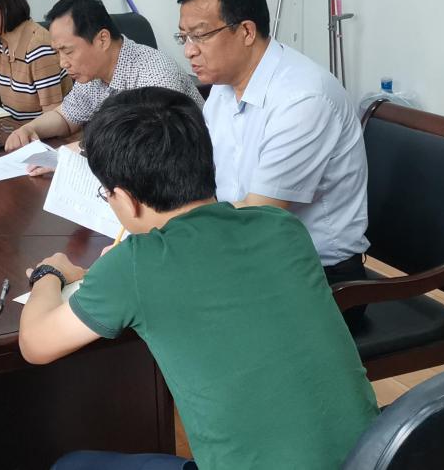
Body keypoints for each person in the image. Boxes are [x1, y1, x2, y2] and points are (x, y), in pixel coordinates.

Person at [19, 88, 379, 470]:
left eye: (106, 193)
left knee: (72, 465)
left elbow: (35, 344)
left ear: (126, 199)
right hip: (372, 458)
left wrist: (49, 274)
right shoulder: (281, 227)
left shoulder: (135, 265)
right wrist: (118, 271)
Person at [177, 0, 369, 329]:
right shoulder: (223, 88)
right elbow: (200, 174)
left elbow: (257, 218)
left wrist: (169, 232)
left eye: (200, 35)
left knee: (178, 315)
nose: (189, 50)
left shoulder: (303, 98)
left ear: (246, 31)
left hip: (320, 281)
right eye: (183, 37)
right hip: (250, 257)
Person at [5, 0, 202, 153]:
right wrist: (29, 129)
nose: (62, 63)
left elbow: (149, 149)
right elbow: (66, 116)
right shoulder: (92, 74)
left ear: (102, 40)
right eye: (58, 52)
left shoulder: (154, 76)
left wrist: (70, 153)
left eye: (68, 51)